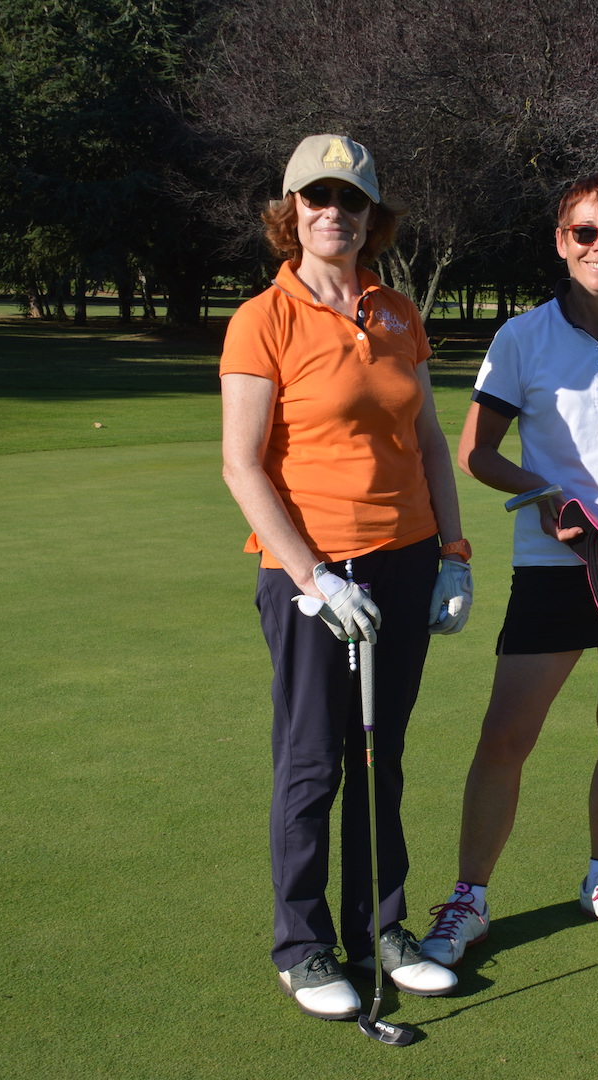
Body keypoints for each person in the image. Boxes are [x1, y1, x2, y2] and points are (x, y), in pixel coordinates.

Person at [418, 173, 598, 965]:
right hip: (555, 563)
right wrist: (542, 492)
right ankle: (468, 900)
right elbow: (478, 452)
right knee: (506, 734)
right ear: (561, 241)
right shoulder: (522, 338)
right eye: (586, 232)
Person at [219, 134, 474, 1019]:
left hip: (404, 562)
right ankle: (303, 945)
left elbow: (431, 443)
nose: (335, 213)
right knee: (312, 762)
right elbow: (242, 467)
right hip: (311, 574)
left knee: (382, 754)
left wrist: (452, 554)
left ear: (373, 216)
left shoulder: (399, 312)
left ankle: (383, 927)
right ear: (291, 214)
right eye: (316, 199)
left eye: (351, 200)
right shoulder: (264, 317)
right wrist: (314, 577)